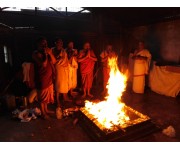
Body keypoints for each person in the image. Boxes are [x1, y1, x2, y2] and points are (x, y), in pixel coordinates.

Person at [32, 37, 56, 119]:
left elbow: (54, 61)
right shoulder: (35, 54)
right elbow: (43, 64)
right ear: (38, 44)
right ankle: (43, 113)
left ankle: (46, 110)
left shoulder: (48, 53)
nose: (45, 45)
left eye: (46, 43)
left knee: (47, 96)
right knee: (42, 97)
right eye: (43, 43)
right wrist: (46, 54)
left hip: (49, 78)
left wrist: (50, 54)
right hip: (41, 78)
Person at [53, 38, 70, 108]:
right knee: (57, 84)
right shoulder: (52, 50)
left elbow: (65, 60)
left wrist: (60, 60)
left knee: (64, 84)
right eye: (58, 43)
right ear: (55, 43)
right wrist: (58, 60)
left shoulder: (63, 51)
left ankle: (65, 97)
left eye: (61, 43)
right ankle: (57, 100)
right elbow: (54, 61)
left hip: (63, 70)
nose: (59, 44)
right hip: (57, 69)